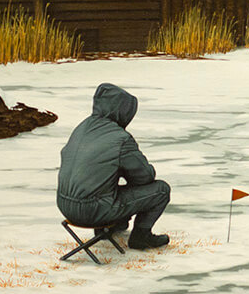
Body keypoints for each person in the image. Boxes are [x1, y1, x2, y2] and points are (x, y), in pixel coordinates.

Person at [57, 83, 171, 250]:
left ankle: (107, 227)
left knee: (101, 180)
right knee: (161, 190)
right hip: (92, 210)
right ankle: (141, 237)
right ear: (121, 111)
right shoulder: (120, 138)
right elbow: (145, 176)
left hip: (65, 206)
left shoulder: (82, 128)